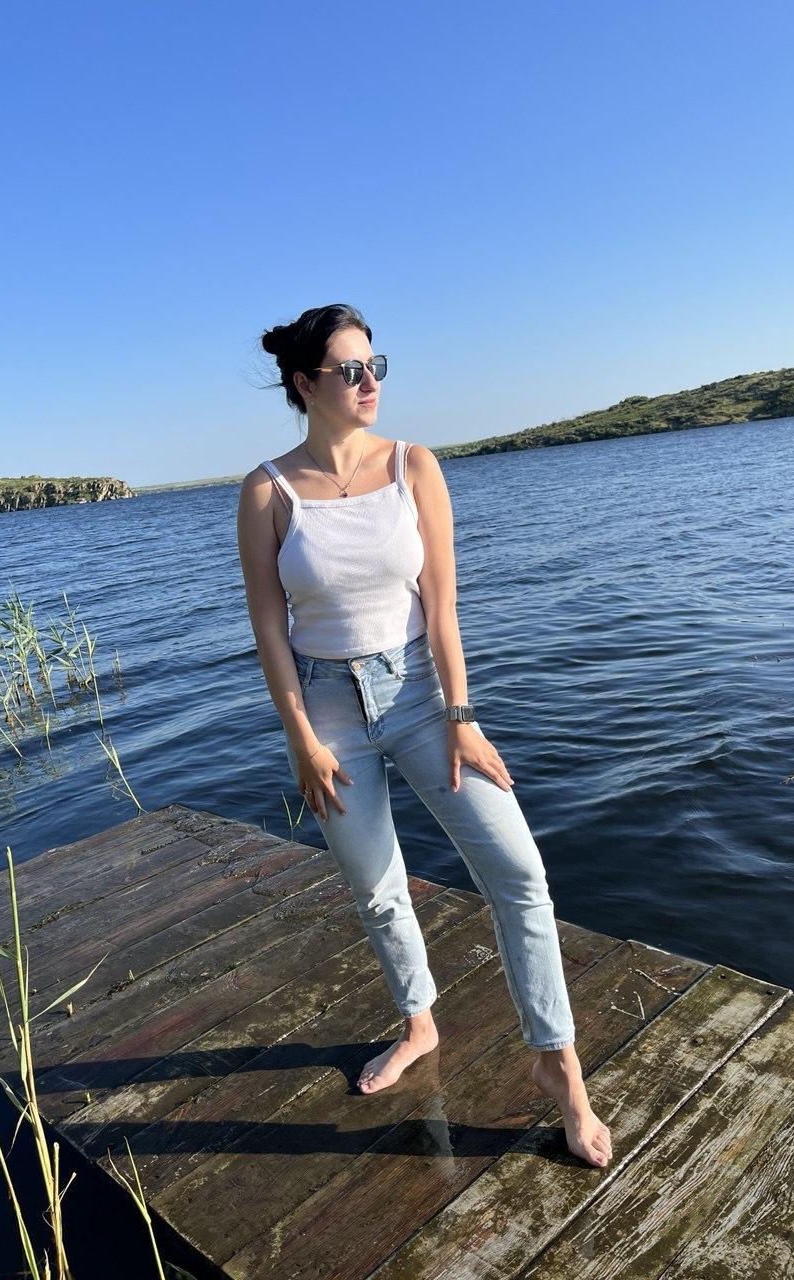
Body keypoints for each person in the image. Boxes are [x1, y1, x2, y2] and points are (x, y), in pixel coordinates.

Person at [236, 303, 612, 1169]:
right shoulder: (266, 491)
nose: (369, 382)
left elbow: (442, 608)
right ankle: (419, 1023)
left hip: (418, 694)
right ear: (305, 385)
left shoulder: (414, 466)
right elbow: (269, 629)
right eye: (349, 370)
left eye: (375, 365)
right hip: (327, 708)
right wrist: (302, 738)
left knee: (520, 873)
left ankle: (558, 1066)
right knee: (377, 889)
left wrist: (460, 715)